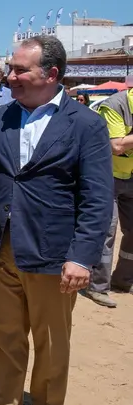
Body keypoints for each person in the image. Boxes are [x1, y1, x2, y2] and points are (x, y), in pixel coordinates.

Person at [0, 35, 113, 405]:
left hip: (54, 253)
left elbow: (97, 198)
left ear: (51, 74)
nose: (9, 75)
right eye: (10, 69)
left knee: (51, 340)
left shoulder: (86, 125)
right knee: (6, 334)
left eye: (19, 70)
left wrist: (82, 257)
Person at [82, 76, 133, 308]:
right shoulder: (114, 105)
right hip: (107, 177)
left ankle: (123, 279)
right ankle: (97, 286)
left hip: (131, 176)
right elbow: (117, 145)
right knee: (106, 232)